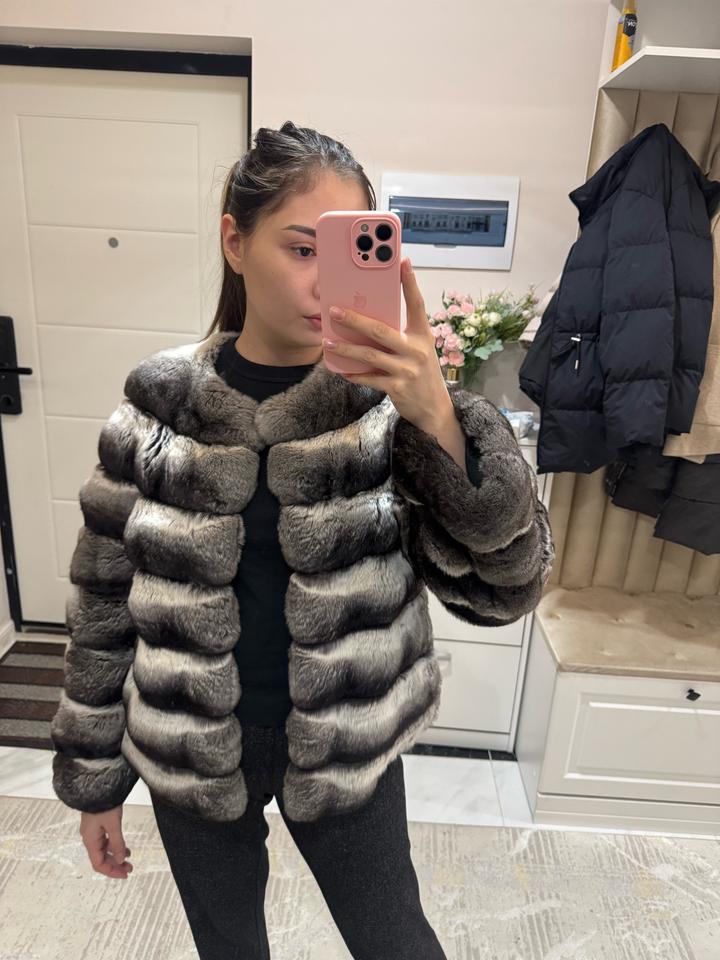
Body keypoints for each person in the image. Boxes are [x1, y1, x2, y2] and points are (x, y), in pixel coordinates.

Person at [50, 121, 554, 960]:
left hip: (350, 746)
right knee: (229, 948)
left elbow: (506, 592)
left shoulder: (390, 415)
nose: (326, 279)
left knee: (397, 942)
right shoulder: (155, 409)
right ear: (234, 243)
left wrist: (441, 420)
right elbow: (102, 609)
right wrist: (96, 781)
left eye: (350, 251)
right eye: (301, 247)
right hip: (190, 751)